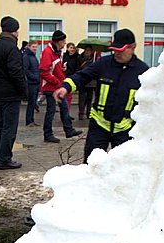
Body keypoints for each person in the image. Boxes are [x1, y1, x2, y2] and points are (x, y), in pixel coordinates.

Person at [55, 28, 148, 163]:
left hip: (125, 130)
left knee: (123, 169)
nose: (116, 53)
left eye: (120, 50)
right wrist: (65, 87)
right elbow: (82, 76)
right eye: (114, 49)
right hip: (99, 126)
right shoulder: (103, 64)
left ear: (133, 47)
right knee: (91, 166)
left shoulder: (143, 71)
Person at [0, 15, 26, 170]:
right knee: (9, 127)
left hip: (0, 91)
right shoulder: (12, 48)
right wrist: (23, 90)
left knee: (1, 126)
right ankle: (5, 159)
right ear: (14, 31)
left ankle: (0, 156)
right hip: (11, 93)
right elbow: (16, 72)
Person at [39, 30, 83, 143]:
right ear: (58, 41)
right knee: (51, 110)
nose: (65, 43)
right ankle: (48, 134)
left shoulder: (55, 52)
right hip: (50, 87)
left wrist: (61, 70)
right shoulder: (48, 52)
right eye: (63, 41)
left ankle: (69, 130)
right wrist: (56, 81)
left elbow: (52, 68)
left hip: (56, 86)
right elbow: (43, 72)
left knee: (63, 108)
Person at [21, 40, 40, 126]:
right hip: (31, 83)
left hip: (35, 82)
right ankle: (29, 121)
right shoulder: (27, 56)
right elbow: (26, 70)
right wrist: (34, 77)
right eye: (33, 47)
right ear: (29, 46)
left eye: (36, 47)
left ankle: (31, 120)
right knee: (31, 103)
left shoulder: (33, 56)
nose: (35, 48)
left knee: (33, 102)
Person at [77, 48, 98, 121]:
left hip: (92, 81)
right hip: (83, 80)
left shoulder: (94, 59)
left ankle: (88, 113)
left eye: (89, 50)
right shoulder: (80, 58)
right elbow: (78, 68)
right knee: (82, 99)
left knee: (90, 99)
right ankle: (81, 113)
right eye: (87, 50)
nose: (88, 52)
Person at [63, 41, 81, 114]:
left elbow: (78, 67)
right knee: (64, 95)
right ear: (67, 48)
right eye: (71, 48)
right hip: (64, 76)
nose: (72, 49)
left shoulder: (77, 57)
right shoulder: (64, 56)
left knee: (69, 96)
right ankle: (64, 112)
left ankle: (67, 112)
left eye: (73, 48)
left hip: (72, 77)